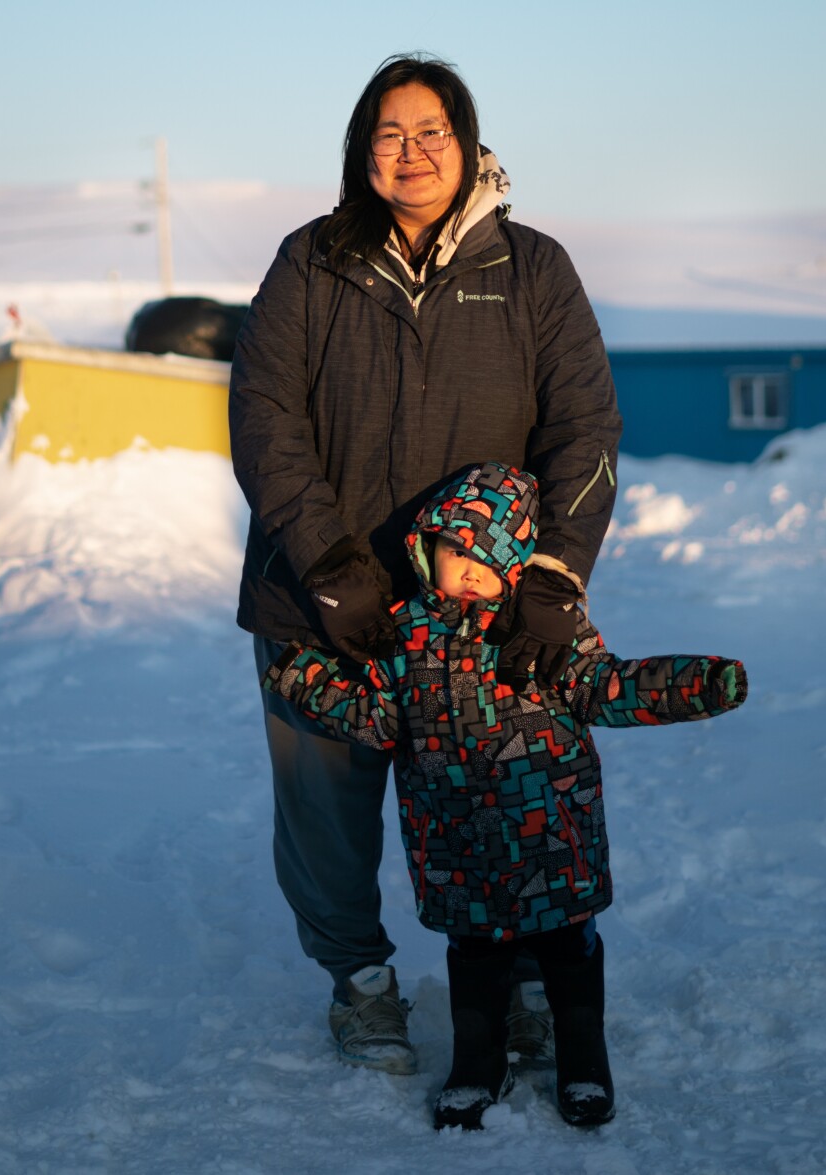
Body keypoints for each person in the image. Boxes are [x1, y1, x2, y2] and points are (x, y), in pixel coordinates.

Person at [228, 53, 623, 1075]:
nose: (412, 153)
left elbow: (583, 427)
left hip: (480, 604)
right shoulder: (312, 261)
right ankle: (359, 982)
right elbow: (264, 415)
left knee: (503, 796)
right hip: (322, 600)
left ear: (467, 140)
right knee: (326, 812)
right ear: (362, 151)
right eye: (389, 134)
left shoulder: (532, 267)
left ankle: (529, 979)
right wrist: (326, 556)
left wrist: (550, 573)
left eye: (431, 130)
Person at [261, 462, 748, 1130]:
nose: (464, 566)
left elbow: (609, 686)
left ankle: (584, 1062)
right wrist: (302, 676)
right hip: (459, 852)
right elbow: (373, 716)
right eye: (452, 549)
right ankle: (476, 1065)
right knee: (476, 965)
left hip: (553, 838)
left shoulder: (545, 633)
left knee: (568, 959)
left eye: (482, 557)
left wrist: (694, 685)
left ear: (516, 562)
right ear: (426, 547)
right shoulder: (405, 636)